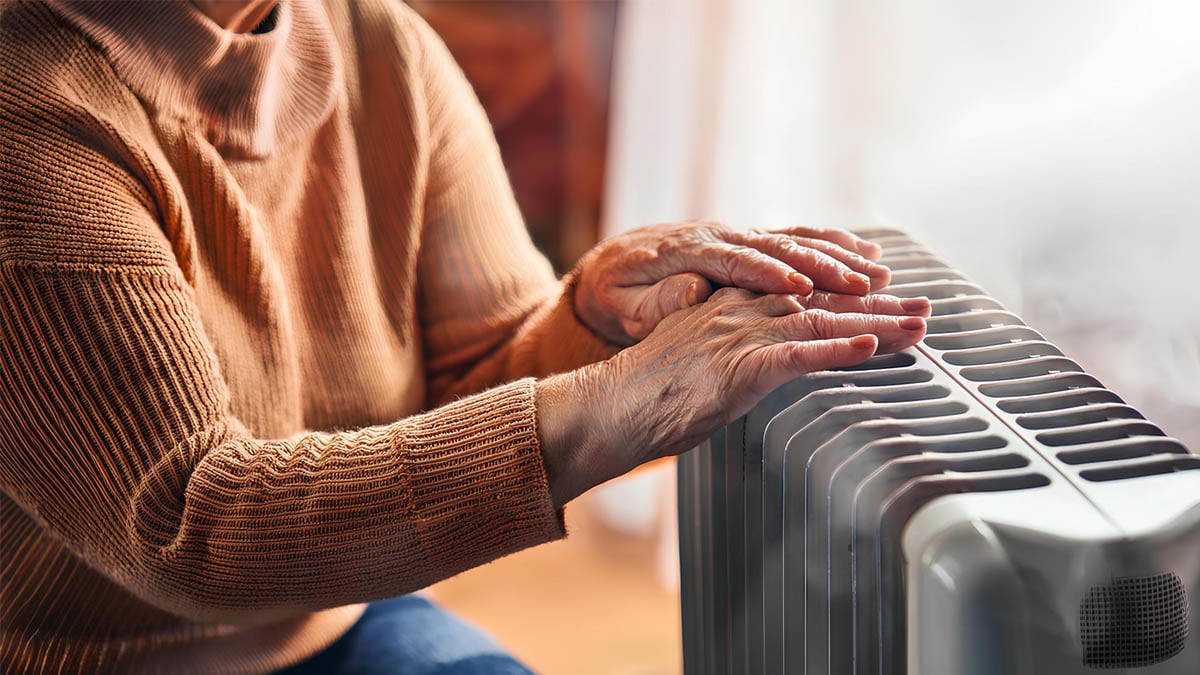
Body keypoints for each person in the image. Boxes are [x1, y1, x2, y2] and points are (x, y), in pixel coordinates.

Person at [0, 0, 930, 672]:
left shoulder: (383, 44)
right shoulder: (30, 116)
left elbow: (477, 371)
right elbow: (192, 525)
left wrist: (591, 319)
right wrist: (611, 404)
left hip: (333, 618)